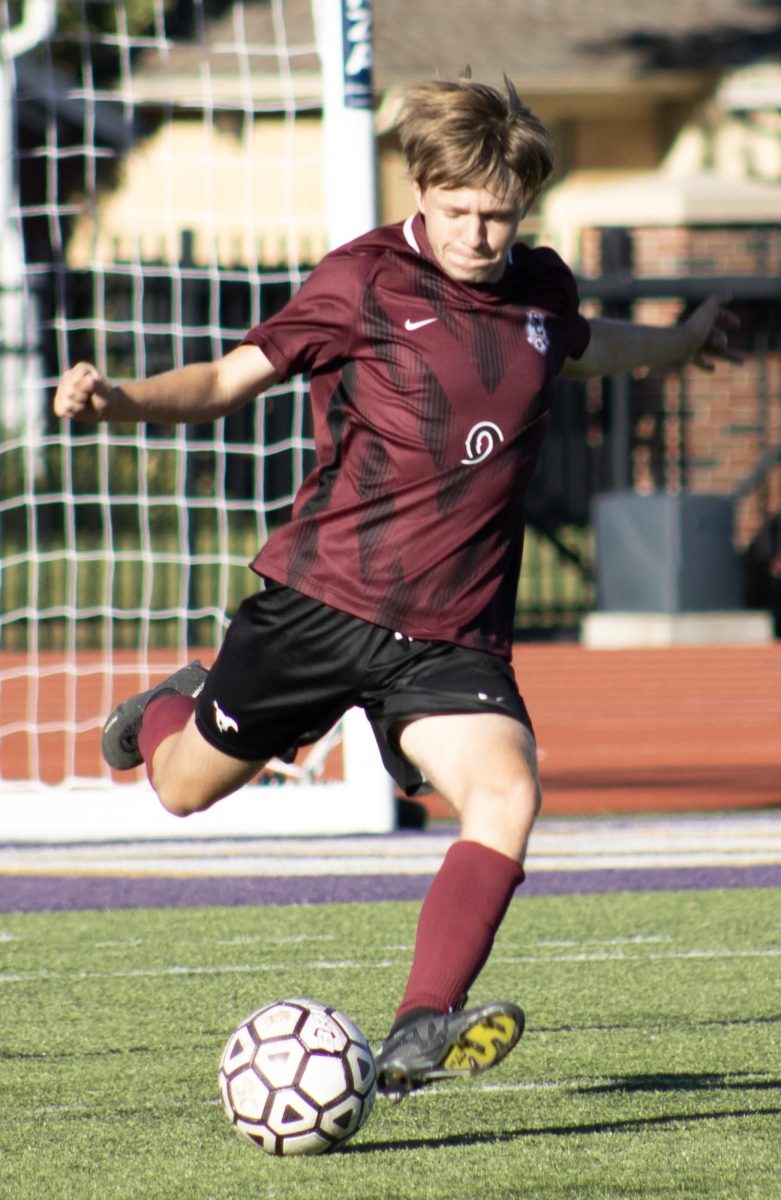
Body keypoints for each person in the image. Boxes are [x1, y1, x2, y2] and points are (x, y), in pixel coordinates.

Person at [53, 76, 741, 1102]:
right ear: (422, 189)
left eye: (498, 213)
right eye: (457, 209)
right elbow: (231, 378)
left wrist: (683, 342)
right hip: (321, 605)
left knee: (509, 792)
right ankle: (164, 708)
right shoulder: (363, 279)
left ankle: (423, 1025)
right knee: (183, 789)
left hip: (450, 637)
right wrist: (121, 402)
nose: (477, 231)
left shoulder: (538, 290)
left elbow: (587, 352)